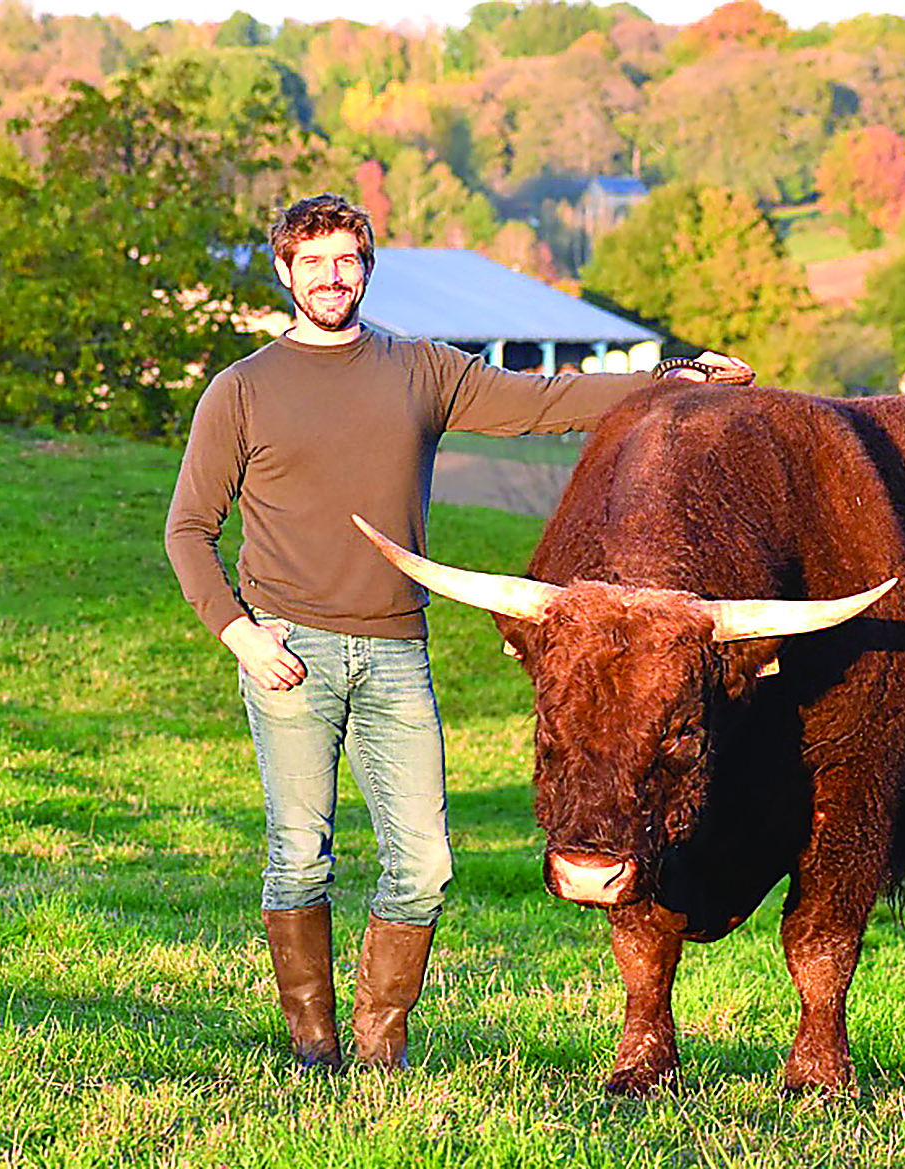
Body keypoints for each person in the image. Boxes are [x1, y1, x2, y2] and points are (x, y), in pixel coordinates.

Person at [164, 193, 751, 1073]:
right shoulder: (240, 389)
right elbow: (187, 529)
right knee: (298, 854)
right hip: (289, 651)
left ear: (366, 269)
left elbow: (547, 400)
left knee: (427, 863)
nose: (332, 277)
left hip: (396, 650)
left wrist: (673, 372)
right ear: (284, 272)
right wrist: (243, 637)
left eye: (347, 260)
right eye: (314, 262)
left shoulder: (420, 369)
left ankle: (380, 1045)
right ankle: (314, 1042)